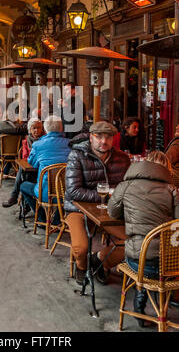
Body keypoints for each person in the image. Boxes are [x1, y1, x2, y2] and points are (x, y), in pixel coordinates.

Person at [108, 150, 179, 327]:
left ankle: (140, 302)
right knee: (159, 254)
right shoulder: (173, 190)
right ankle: (166, 299)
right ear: (166, 169)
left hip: (139, 263)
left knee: (142, 256)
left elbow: (112, 212)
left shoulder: (126, 185)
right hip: (172, 266)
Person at [64, 121, 130, 285]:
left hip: (110, 212)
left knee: (135, 243)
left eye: (108, 138)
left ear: (113, 139)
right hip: (77, 209)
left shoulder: (122, 159)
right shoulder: (77, 155)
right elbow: (73, 191)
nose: (103, 141)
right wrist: (107, 196)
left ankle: (100, 262)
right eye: (98, 137)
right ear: (91, 137)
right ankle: (82, 266)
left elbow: (128, 187)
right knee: (81, 249)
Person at [20, 116, 70, 224]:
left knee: (23, 186)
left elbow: (32, 163)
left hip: (45, 193)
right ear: (61, 128)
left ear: (45, 129)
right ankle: (57, 219)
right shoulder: (70, 144)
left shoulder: (38, 145)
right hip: (66, 194)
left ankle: (42, 217)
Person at [2, 119, 44, 208]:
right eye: (34, 128)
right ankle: (26, 204)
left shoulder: (45, 140)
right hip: (31, 168)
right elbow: (25, 158)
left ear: (42, 128)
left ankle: (16, 197)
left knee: (23, 174)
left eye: (39, 128)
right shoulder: (26, 141)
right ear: (30, 130)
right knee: (24, 173)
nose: (36, 130)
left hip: (42, 170)